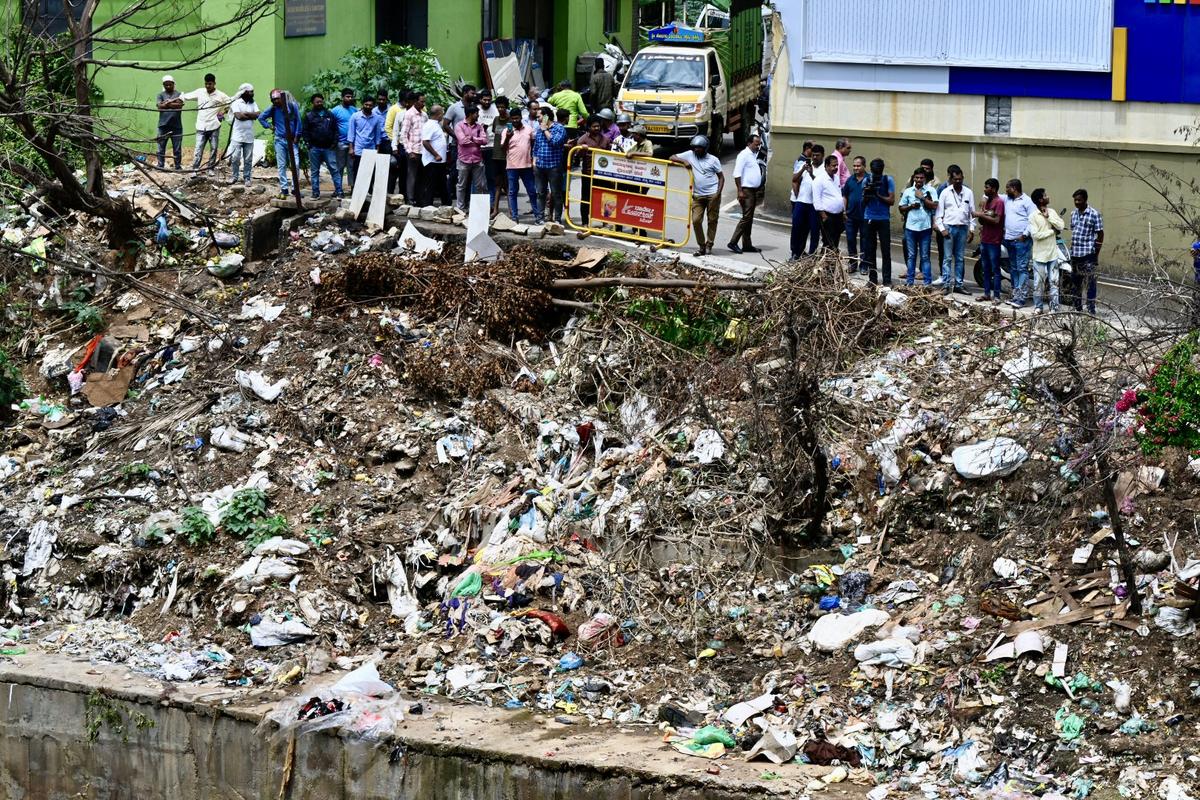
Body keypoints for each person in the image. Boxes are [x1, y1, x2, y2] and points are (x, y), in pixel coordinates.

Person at [669, 135, 724, 255]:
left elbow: (721, 177)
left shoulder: (713, 160)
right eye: (695, 148)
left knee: (712, 220)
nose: (696, 150)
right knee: (696, 220)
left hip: (712, 194)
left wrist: (717, 194)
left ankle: (709, 244)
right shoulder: (690, 154)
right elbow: (672, 157)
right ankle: (701, 245)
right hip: (698, 195)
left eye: (699, 148)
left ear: (705, 148)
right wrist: (684, 161)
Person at [934, 165, 976, 295]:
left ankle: (959, 284)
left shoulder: (968, 192)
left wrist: (972, 229)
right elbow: (938, 214)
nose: (958, 181)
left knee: (960, 258)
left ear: (963, 178)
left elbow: (972, 213)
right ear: (951, 180)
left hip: (962, 229)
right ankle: (946, 284)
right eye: (955, 179)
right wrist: (942, 229)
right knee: (947, 258)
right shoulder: (945, 192)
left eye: (960, 179)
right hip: (949, 228)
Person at [256, 89, 302, 198]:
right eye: (273, 100)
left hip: (291, 140)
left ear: (282, 98)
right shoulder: (273, 109)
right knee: (281, 165)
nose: (276, 101)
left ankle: (295, 188)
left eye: (277, 99)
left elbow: (298, 121)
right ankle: (284, 188)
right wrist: (270, 126)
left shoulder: (292, 106)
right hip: (279, 140)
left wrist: (297, 135)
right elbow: (261, 118)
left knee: (295, 163)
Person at [182, 73, 231, 174]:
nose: (208, 86)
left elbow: (231, 103)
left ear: (214, 83)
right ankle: (195, 169)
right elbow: (186, 96)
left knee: (213, 148)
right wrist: (177, 99)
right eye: (206, 84)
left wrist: (222, 112)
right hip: (201, 126)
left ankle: (210, 168)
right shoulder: (200, 92)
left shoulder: (220, 95)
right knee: (198, 149)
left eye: (210, 84)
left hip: (214, 126)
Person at [898, 169, 938, 285]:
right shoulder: (908, 191)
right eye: (917, 178)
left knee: (925, 256)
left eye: (921, 178)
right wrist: (910, 206)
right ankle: (910, 282)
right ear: (913, 178)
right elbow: (901, 208)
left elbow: (935, 205)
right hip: (910, 228)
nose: (919, 180)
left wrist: (922, 198)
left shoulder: (931, 190)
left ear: (925, 179)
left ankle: (927, 283)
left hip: (925, 228)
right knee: (911, 256)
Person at [1067, 189, 1104, 314]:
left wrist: (1096, 253)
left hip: (1088, 254)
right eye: (1075, 200)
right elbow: (1074, 230)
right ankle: (1077, 308)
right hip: (1075, 254)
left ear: (1085, 200)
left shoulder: (1094, 214)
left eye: (1079, 200)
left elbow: (1100, 234)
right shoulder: (1073, 214)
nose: (1077, 202)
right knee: (1076, 283)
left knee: (1090, 283)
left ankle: (1091, 309)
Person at [1028, 188, 1065, 313]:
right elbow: (1035, 235)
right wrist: (1051, 232)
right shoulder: (1033, 216)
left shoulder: (1052, 212)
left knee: (1054, 283)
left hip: (1053, 254)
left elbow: (1061, 226)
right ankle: (1038, 307)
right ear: (1040, 199)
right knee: (1038, 284)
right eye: (1045, 195)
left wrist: (1049, 217)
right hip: (1039, 255)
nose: (1048, 196)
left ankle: (1054, 308)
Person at [727, 134, 764, 254]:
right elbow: (737, 173)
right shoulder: (743, 155)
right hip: (746, 190)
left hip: (753, 190)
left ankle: (747, 244)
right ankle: (733, 242)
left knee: (749, 217)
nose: (758, 146)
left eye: (759, 144)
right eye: (756, 144)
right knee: (746, 217)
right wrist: (740, 191)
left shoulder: (752, 155)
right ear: (749, 143)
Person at [862, 158, 895, 286]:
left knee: (886, 250)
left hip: (883, 219)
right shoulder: (867, 180)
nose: (876, 174)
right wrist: (866, 194)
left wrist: (877, 195)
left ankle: (887, 280)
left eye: (878, 171)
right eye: (874, 171)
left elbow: (891, 201)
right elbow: (863, 203)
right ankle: (872, 279)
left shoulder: (888, 180)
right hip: (869, 217)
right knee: (870, 250)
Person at [1004, 179, 1037, 308]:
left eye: (1007, 188)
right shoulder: (1008, 199)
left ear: (1014, 188)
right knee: (1014, 268)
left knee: (1022, 268)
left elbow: (1033, 219)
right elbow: (996, 196)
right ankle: (1016, 295)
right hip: (1009, 240)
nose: (1005, 190)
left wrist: (1025, 234)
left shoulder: (1027, 202)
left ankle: (1022, 297)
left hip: (1022, 241)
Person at [303, 93, 343, 199]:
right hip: (314, 148)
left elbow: (335, 130)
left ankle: (339, 191)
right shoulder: (309, 116)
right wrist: (309, 144)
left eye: (321, 101)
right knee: (315, 171)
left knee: (334, 169)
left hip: (329, 148)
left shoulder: (329, 115)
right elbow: (305, 131)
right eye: (317, 102)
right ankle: (315, 193)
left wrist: (334, 144)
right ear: (313, 103)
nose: (319, 103)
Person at [502, 113, 540, 222]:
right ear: (510, 119)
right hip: (512, 166)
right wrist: (508, 138)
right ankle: (514, 217)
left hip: (526, 165)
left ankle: (537, 215)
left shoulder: (528, 129)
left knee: (532, 191)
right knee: (512, 192)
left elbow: (533, 143)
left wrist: (533, 158)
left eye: (517, 118)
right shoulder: (506, 131)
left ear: (520, 118)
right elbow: (503, 147)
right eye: (513, 118)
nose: (515, 120)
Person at [972, 178, 1005, 303]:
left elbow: (997, 220)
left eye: (987, 187)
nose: (985, 190)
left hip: (994, 241)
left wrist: (981, 215)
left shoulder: (999, 202)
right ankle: (986, 293)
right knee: (985, 268)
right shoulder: (987, 202)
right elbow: (982, 220)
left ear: (994, 189)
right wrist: (981, 212)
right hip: (984, 239)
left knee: (995, 269)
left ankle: (996, 296)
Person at [533, 107, 568, 224]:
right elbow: (536, 147)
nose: (537, 119)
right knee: (540, 193)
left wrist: (545, 130)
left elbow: (555, 142)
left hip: (554, 167)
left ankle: (557, 219)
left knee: (556, 194)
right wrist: (534, 162)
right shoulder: (538, 129)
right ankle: (540, 219)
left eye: (539, 116)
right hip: (540, 166)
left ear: (546, 116)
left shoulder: (559, 128)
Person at [445, 85, 478, 206]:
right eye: (472, 93)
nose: (474, 96)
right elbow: (446, 124)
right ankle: (447, 201)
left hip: (471, 148)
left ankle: (466, 202)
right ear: (465, 93)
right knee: (454, 173)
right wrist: (457, 137)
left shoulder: (474, 108)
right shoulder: (454, 107)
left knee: (468, 175)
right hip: (456, 146)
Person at [574, 115, 609, 225]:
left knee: (604, 198)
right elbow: (577, 156)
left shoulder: (606, 139)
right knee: (586, 198)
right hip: (588, 173)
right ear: (588, 127)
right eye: (594, 126)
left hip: (602, 175)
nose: (597, 128)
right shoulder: (583, 139)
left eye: (598, 126)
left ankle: (605, 222)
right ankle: (585, 222)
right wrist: (582, 150)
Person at [790, 143, 823, 258]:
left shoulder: (824, 169)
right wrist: (803, 169)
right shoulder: (805, 164)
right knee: (797, 228)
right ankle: (795, 252)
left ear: (822, 156)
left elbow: (820, 184)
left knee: (814, 230)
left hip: (814, 205)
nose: (814, 157)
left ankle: (811, 255)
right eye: (813, 155)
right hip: (801, 201)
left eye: (817, 155)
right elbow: (794, 179)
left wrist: (811, 174)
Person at [453, 105, 489, 210]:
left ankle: (476, 209)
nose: (478, 116)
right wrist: (477, 140)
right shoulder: (459, 126)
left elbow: (485, 140)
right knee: (461, 186)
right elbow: (462, 141)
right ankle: (460, 208)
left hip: (477, 160)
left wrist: (472, 138)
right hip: (463, 160)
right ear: (470, 114)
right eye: (476, 113)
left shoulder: (479, 127)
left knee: (479, 186)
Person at [227, 83, 259, 188]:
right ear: (245, 92)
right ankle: (235, 176)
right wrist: (251, 115)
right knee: (235, 157)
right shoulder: (236, 103)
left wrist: (246, 114)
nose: (253, 93)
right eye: (251, 91)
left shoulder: (253, 103)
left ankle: (247, 178)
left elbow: (258, 114)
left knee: (248, 159)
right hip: (237, 136)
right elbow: (238, 116)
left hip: (249, 136)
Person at [347, 95, 385, 181]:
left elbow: (377, 135)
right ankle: (355, 192)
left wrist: (377, 149)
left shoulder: (376, 118)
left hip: (371, 148)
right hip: (358, 148)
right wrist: (351, 148)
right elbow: (351, 133)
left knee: (369, 171)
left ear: (373, 106)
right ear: (363, 104)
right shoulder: (355, 116)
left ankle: (368, 191)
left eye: (370, 105)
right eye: (366, 105)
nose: (368, 107)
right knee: (357, 171)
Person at [813, 154, 846, 253]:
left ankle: (831, 265)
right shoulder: (819, 180)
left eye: (837, 165)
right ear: (826, 166)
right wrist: (824, 216)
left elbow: (838, 195)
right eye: (833, 165)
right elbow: (817, 200)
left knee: (835, 241)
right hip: (827, 216)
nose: (836, 168)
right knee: (828, 242)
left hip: (838, 215)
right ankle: (824, 265)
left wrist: (843, 212)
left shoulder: (836, 178)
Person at [476, 91, 501, 214]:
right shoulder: (476, 110)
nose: (487, 102)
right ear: (480, 100)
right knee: (478, 178)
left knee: (492, 177)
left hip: (492, 147)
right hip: (478, 148)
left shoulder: (495, 110)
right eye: (484, 100)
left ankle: (491, 205)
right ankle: (477, 206)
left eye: (489, 100)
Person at [399, 92, 427, 205]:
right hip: (413, 150)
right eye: (421, 101)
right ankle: (410, 199)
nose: (423, 104)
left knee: (422, 176)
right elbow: (403, 134)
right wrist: (409, 151)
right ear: (415, 101)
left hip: (424, 150)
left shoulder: (424, 115)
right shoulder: (409, 114)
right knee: (412, 175)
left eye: (424, 102)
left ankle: (420, 199)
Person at [842, 156, 868, 274]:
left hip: (865, 217)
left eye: (858, 166)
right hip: (850, 216)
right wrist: (844, 211)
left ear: (864, 166)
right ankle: (852, 264)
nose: (855, 168)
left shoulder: (869, 179)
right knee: (851, 240)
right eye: (854, 166)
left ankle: (864, 265)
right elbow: (845, 196)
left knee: (865, 242)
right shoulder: (850, 180)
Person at [420, 105, 450, 206]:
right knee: (431, 185)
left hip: (439, 162)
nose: (443, 115)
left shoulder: (436, 124)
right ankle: (427, 206)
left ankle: (447, 204)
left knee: (442, 184)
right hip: (433, 161)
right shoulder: (429, 125)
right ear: (439, 114)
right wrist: (436, 154)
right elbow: (425, 142)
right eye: (442, 113)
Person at [155, 75, 184, 170]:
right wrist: (170, 104)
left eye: (170, 85)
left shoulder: (179, 94)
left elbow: (179, 106)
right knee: (160, 148)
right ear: (163, 85)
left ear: (173, 84)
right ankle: (160, 166)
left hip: (176, 126)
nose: (168, 87)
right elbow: (159, 106)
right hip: (163, 125)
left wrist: (167, 103)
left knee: (177, 149)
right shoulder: (160, 95)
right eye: (166, 85)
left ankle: (178, 167)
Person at [331, 89, 357, 188]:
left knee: (351, 167)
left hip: (352, 144)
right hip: (340, 143)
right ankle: (338, 189)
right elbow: (331, 126)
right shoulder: (335, 111)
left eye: (351, 96)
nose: (349, 98)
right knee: (339, 167)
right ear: (342, 97)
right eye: (347, 96)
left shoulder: (354, 110)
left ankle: (352, 188)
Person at [489, 97, 511, 215]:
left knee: (508, 185)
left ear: (506, 107)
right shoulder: (496, 119)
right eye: (498, 107)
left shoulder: (511, 120)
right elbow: (495, 133)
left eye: (502, 107)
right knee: (497, 184)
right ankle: (495, 210)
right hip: (496, 155)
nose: (500, 109)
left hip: (507, 156)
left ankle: (512, 211)